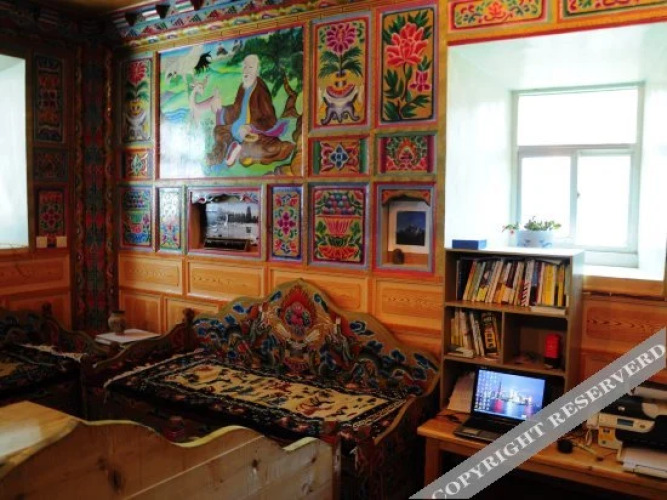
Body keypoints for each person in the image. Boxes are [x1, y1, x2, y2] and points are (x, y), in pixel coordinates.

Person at [207, 54, 294, 167]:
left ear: (257, 71)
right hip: (237, 127)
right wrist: (221, 108)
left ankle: (237, 149)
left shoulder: (260, 90)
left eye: (250, 67)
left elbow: (270, 119)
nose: (246, 70)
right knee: (219, 131)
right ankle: (219, 155)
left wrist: (250, 127)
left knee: (264, 147)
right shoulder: (243, 87)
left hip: (253, 132)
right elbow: (236, 109)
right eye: (245, 67)